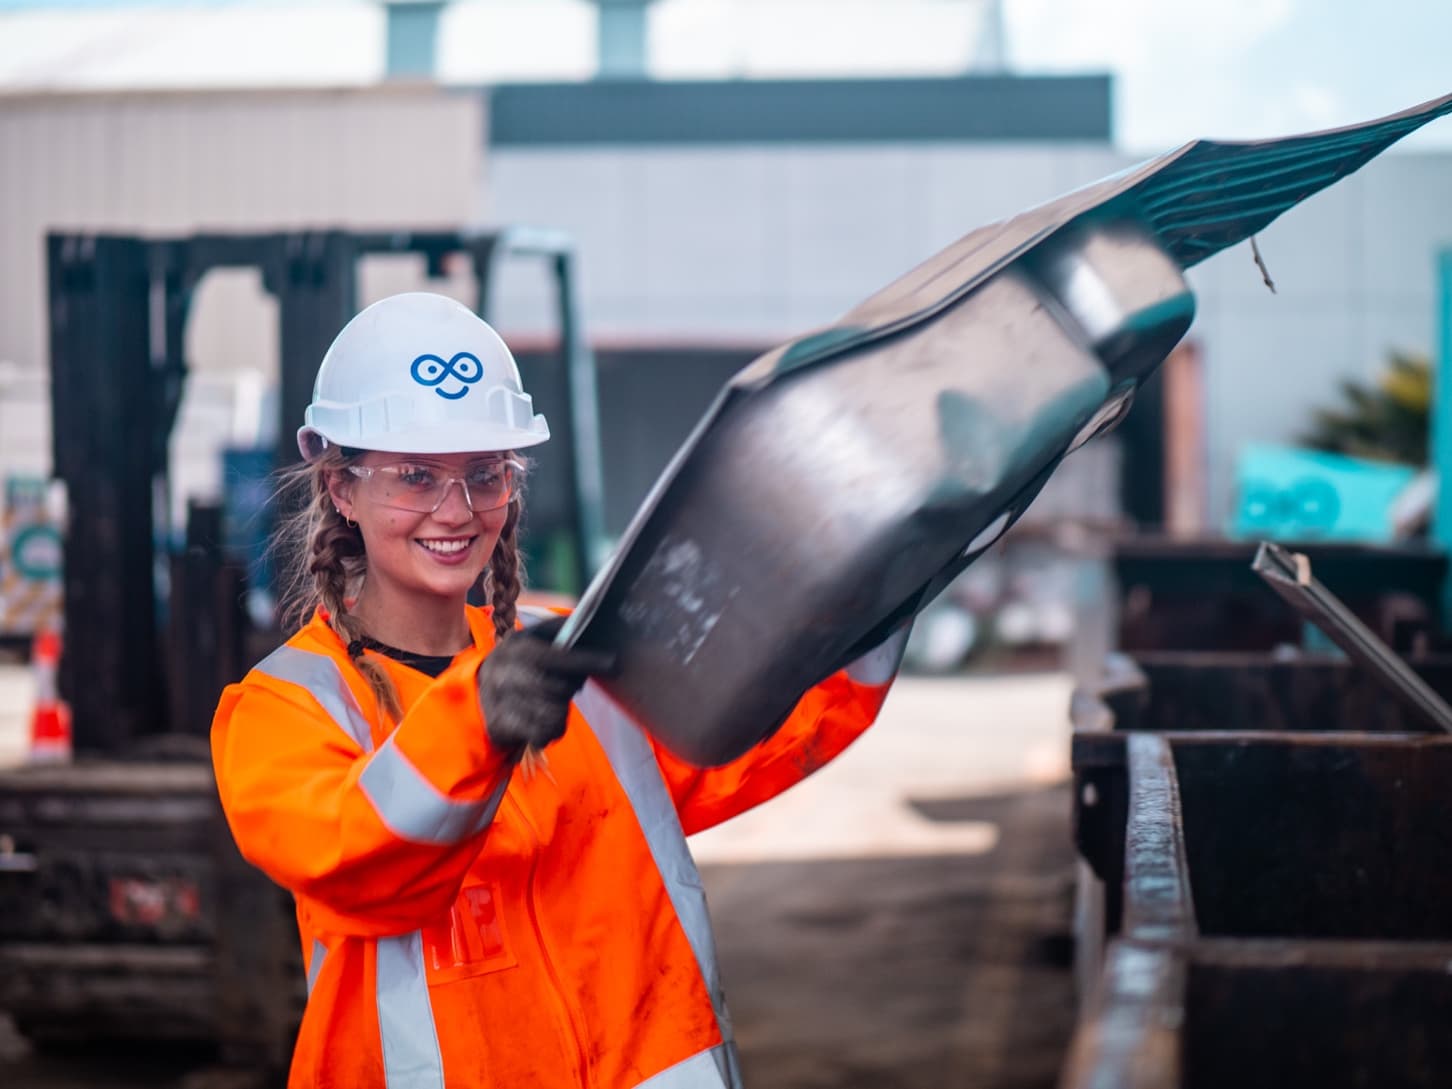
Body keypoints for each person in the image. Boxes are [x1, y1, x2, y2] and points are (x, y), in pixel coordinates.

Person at [211, 291, 911, 1089]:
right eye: (414, 476)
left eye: (485, 474)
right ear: (340, 486)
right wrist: (476, 724)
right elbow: (355, 858)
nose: (457, 510)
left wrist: (879, 592)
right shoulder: (287, 706)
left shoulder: (572, 652)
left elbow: (749, 735)